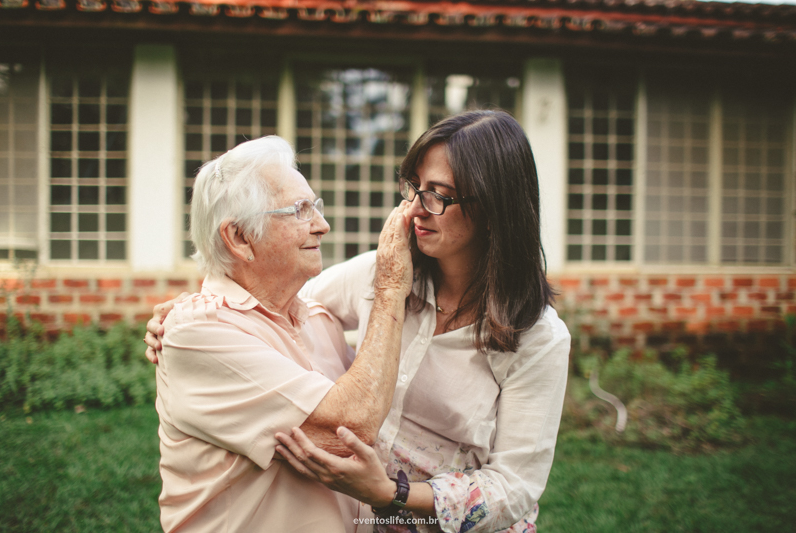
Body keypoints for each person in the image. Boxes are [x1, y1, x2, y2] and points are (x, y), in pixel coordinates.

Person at [147, 110, 570, 533]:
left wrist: (391, 495)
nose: (415, 209)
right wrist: (196, 310)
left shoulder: (538, 336)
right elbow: (265, 299)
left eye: (439, 195)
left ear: (495, 208)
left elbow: (514, 487)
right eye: (415, 188)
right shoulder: (381, 273)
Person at [150, 135, 413, 533]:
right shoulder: (197, 334)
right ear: (239, 238)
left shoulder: (315, 317)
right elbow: (351, 432)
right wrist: (391, 287)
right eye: (300, 210)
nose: (322, 226)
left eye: (316, 206)